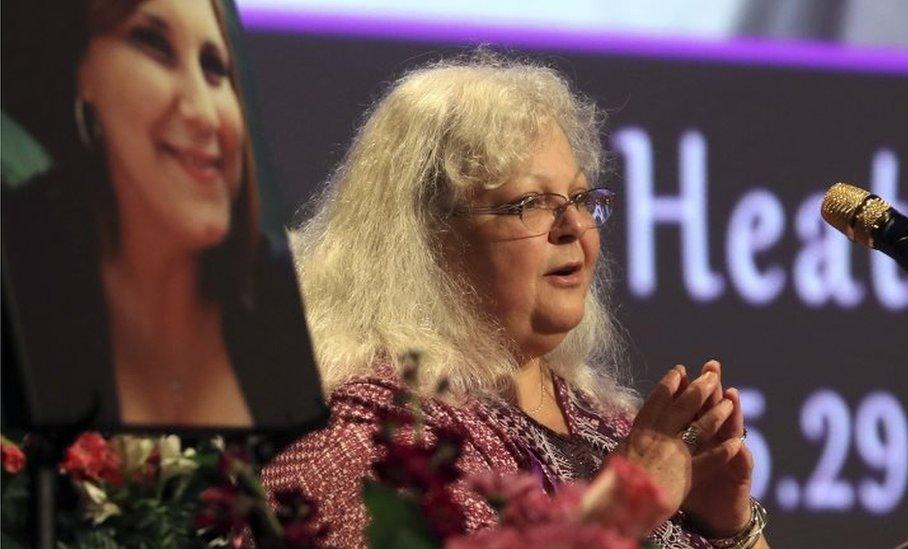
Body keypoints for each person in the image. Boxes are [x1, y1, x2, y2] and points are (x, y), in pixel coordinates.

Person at [262, 53, 770, 548]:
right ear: (426, 241)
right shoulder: (367, 442)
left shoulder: (606, 427)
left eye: (578, 199)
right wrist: (624, 505)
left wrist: (727, 529)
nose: (574, 227)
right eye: (529, 205)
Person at [1, 0, 320, 428]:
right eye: (154, 44)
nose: (204, 114)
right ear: (82, 71)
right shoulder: (27, 286)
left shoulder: (279, 306)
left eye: (214, 67)